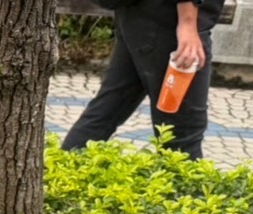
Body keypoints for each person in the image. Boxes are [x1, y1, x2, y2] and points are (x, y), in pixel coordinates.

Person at [61, 0, 226, 160]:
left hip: (142, 16)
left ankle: (61, 168)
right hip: (171, 22)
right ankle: (64, 166)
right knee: (183, 132)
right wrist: (187, 24)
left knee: (108, 109)